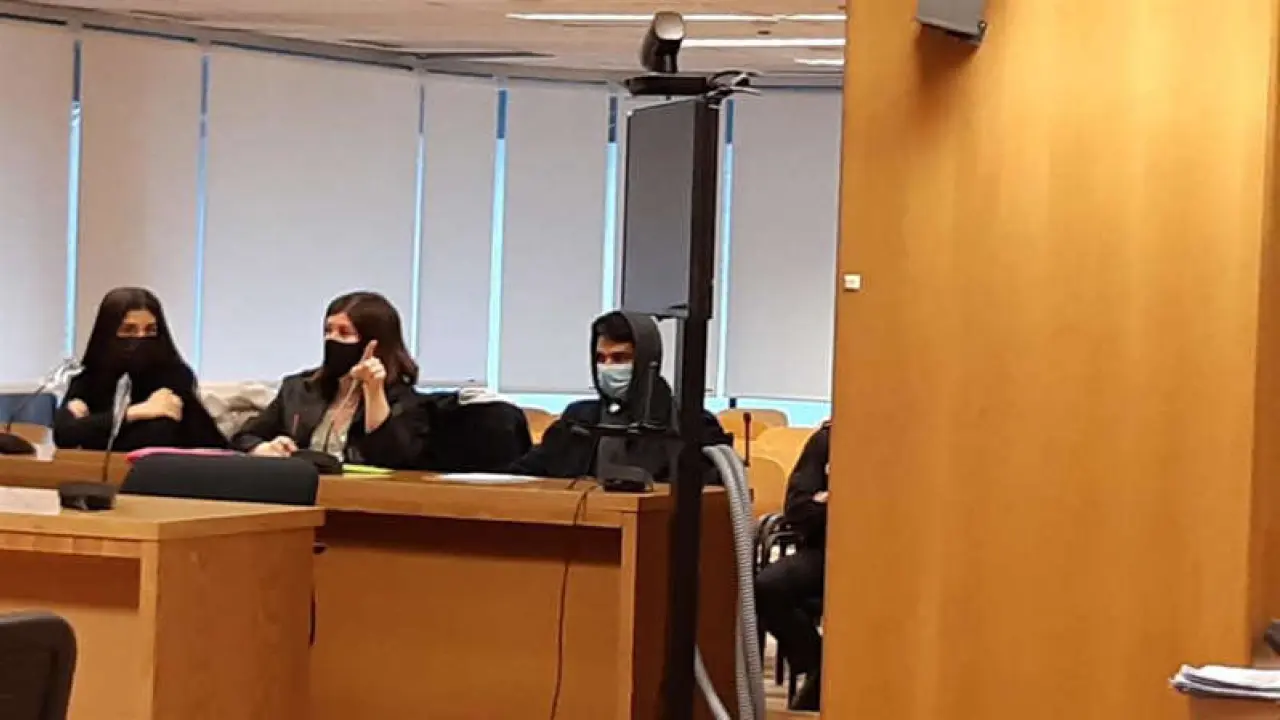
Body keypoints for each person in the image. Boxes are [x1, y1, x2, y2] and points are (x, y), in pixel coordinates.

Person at [507, 310, 729, 480]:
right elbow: (520, 476)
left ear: (647, 361)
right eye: (600, 359)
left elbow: (717, 496)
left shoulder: (691, 423)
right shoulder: (578, 421)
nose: (607, 367)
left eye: (620, 358)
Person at [232, 291, 427, 469]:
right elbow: (244, 437)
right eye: (328, 330)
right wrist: (264, 448)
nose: (331, 339)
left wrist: (373, 391)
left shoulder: (404, 401)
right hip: (300, 488)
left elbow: (392, 460)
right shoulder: (299, 389)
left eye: (344, 333)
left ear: (374, 343)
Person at [54, 287, 227, 452]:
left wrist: (90, 426)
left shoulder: (174, 376)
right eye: (129, 330)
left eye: (150, 330)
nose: (141, 338)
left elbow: (157, 436)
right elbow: (64, 434)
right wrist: (136, 412)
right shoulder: (90, 377)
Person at [755, 421, 829, 711]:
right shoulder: (827, 441)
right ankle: (818, 664)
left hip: (886, 557)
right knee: (768, 586)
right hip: (826, 551)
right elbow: (798, 509)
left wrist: (827, 499)